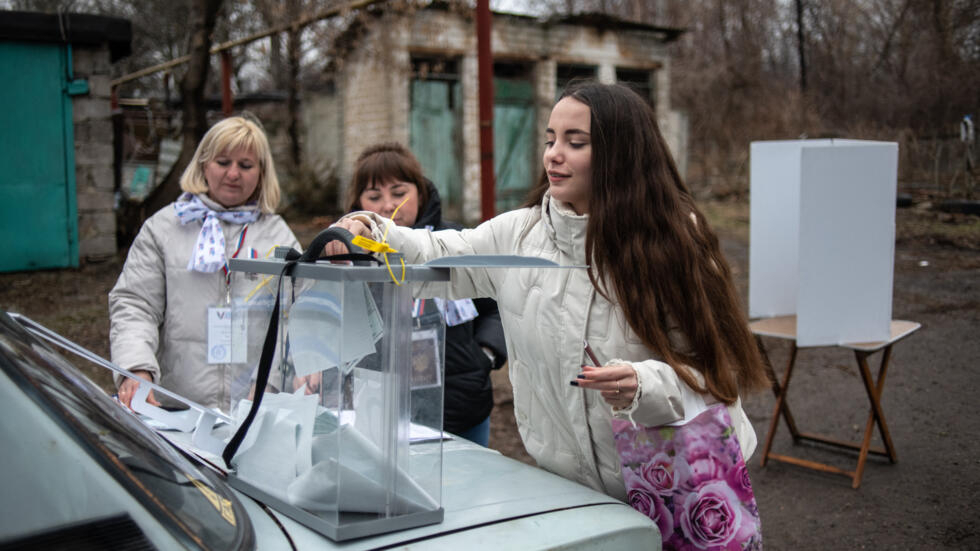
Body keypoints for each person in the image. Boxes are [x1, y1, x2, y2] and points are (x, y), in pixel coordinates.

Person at [328, 81, 769, 499]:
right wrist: (370, 230)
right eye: (550, 139)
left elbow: (718, 373)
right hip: (575, 490)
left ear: (622, 154)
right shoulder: (520, 234)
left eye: (575, 142)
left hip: (681, 483)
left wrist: (645, 386)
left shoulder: (674, 241)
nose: (554, 156)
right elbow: (438, 250)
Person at [110, 115, 300, 411]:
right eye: (223, 162)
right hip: (173, 406)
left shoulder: (279, 236)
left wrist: (270, 383)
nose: (233, 174)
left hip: (253, 412)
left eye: (246, 165)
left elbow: (296, 318)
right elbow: (135, 305)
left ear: (262, 173)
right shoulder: (163, 228)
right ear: (203, 165)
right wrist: (136, 368)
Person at [346, 142, 508, 446]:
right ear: (358, 202)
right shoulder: (347, 256)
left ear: (420, 192)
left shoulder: (454, 242)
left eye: (398, 192)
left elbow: (497, 304)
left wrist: (485, 354)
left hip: (461, 407)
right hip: (379, 409)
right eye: (374, 195)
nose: (386, 205)